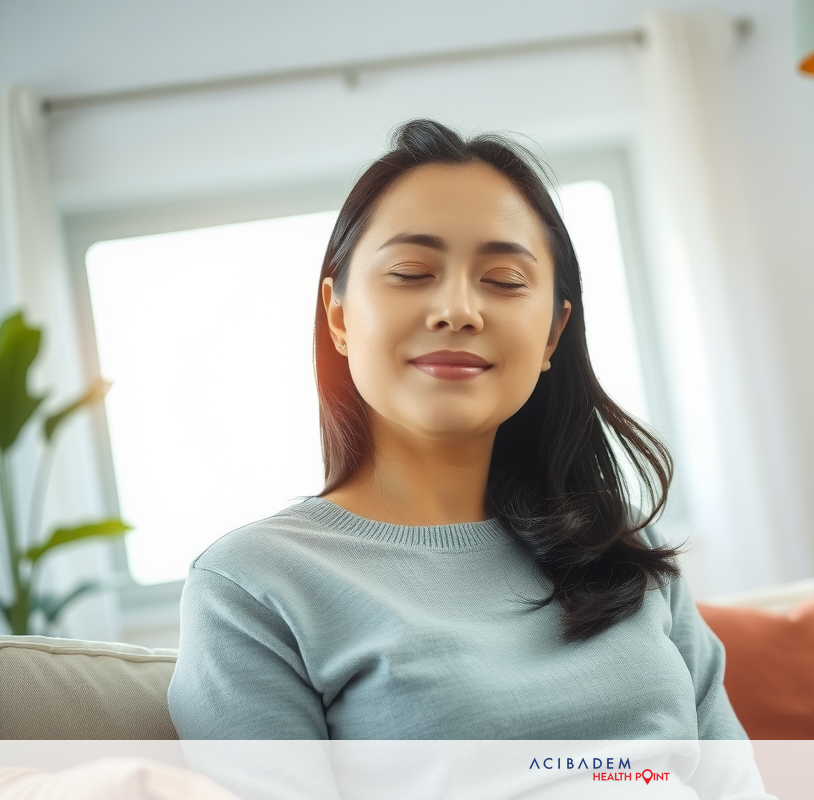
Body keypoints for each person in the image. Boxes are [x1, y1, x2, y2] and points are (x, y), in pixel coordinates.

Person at [167, 120, 753, 750]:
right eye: (412, 272)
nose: (458, 310)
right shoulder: (253, 587)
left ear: (553, 334)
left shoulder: (622, 544)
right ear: (338, 317)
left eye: (504, 281)